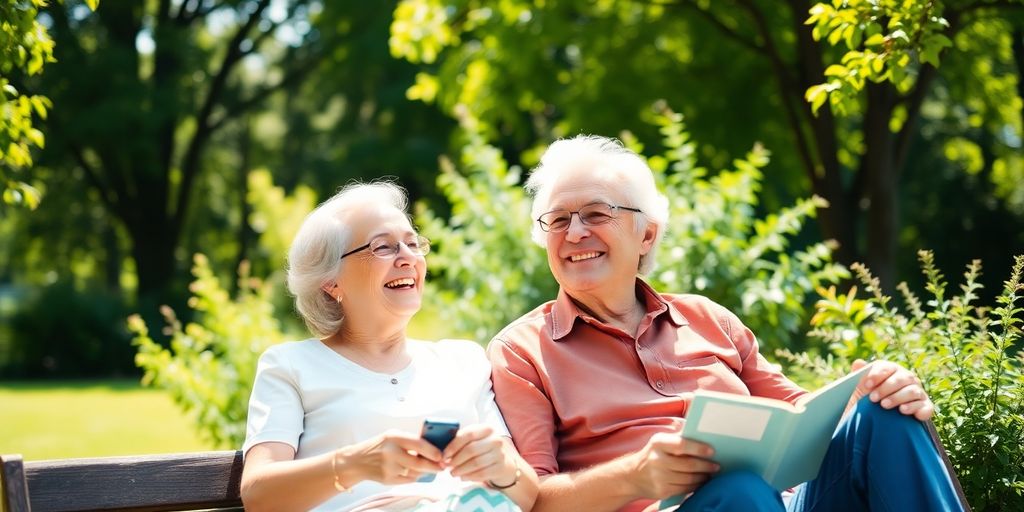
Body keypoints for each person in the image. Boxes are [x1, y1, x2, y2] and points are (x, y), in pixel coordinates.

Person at [486, 135, 964, 512]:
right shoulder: (521, 351)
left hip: (776, 503)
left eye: (596, 214)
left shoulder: (707, 318)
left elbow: (798, 416)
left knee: (884, 412)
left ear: (646, 233)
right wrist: (636, 476)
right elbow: (534, 499)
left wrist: (863, 391)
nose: (575, 233)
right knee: (738, 492)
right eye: (558, 220)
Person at [241, 182, 538, 512]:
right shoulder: (290, 366)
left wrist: (501, 467)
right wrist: (355, 464)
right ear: (331, 282)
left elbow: (526, 496)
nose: (409, 257)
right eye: (383, 247)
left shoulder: (463, 361)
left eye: (413, 244)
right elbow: (257, 495)